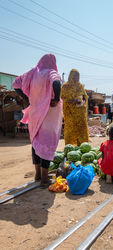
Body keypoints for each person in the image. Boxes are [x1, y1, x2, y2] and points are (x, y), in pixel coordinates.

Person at [12, 54, 62, 187]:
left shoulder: (32, 72)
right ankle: (45, 178)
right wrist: (56, 99)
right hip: (49, 112)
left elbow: (15, 84)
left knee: (36, 141)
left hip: (34, 112)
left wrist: (28, 97)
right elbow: (57, 83)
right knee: (47, 141)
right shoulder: (51, 72)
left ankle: (38, 174)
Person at [61, 69, 89, 145]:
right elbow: (63, 98)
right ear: (71, 76)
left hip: (80, 114)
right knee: (70, 130)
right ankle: (70, 148)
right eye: (75, 76)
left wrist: (82, 100)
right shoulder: (65, 86)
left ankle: (83, 147)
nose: (77, 78)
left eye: (78, 76)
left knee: (81, 130)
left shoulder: (80, 86)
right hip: (69, 113)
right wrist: (73, 100)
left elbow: (85, 97)